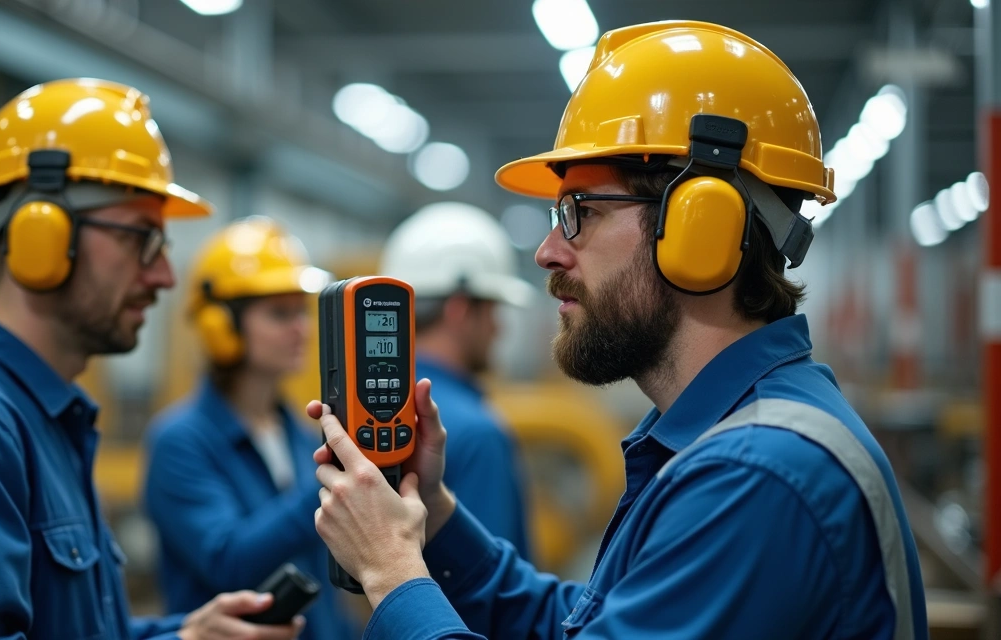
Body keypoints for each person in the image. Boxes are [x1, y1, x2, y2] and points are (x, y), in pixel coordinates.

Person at [309, 21, 929, 639]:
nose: (548, 251)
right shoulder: (715, 440)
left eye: (581, 213)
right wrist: (434, 515)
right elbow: (585, 626)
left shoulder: (756, 476)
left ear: (699, 229)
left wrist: (392, 573)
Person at [0, 78, 303, 640]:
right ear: (41, 236)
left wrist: (185, 637)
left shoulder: (44, 420)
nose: (164, 276)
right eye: (141, 239)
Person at [142, 217, 352, 640]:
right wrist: (333, 484)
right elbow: (228, 560)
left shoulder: (298, 432)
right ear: (221, 327)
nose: (302, 328)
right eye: (280, 313)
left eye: (301, 312)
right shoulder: (180, 440)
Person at [378, 202, 535, 559]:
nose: (499, 328)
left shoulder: (376, 408)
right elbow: (493, 594)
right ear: (460, 309)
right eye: (493, 311)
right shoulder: (479, 433)